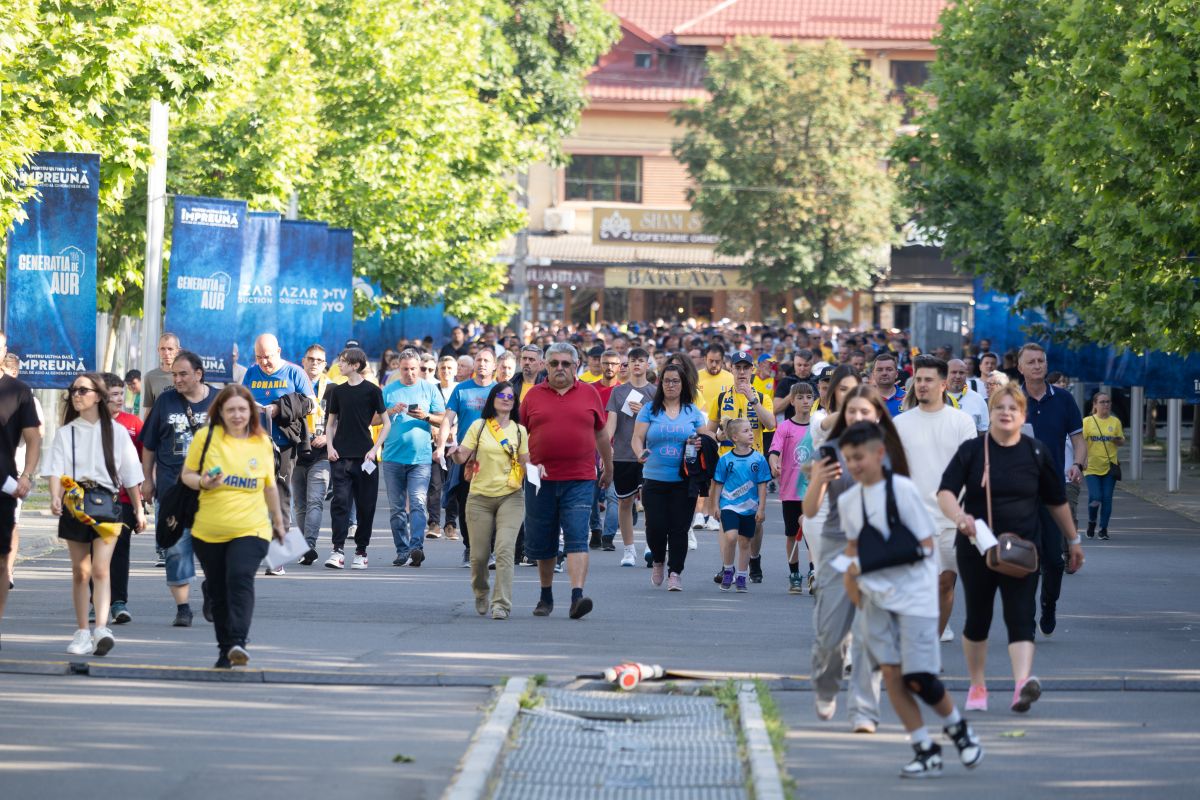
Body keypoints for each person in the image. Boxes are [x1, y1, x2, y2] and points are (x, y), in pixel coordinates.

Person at [833, 421, 983, 778]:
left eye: (860, 457)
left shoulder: (902, 491)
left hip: (914, 598)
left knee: (918, 677)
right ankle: (924, 748)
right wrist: (851, 588)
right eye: (849, 458)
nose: (855, 465)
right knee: (892, 675)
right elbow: (852, 549)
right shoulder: (850, 501)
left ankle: (958, 729)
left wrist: (882, 568)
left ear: (879, 454)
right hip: (876, 602)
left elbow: (926, 545)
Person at [938, 383, 1084, 713]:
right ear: (989, 413)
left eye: (1012, 408)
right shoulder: (972, 451)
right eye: (999, 408)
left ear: (1023, 415)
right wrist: (960, 517)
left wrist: (1073, 540)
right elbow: (945, 492)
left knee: (1020, 616)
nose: (1005, 413)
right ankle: (977, 685)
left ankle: (1022, 685)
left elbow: (1056, 501)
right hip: (976, 547)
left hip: (1022, 548)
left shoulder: (1036, 452)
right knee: (978, 618)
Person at [805, 385, 906, 733]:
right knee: (830, 636)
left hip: (878, 548)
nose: (858, 417)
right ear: (843, 415)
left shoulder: (890, 451)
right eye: (852, 411)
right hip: (838, 545)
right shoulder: (829, 450)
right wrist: (817, 479)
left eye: (865, 411)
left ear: (877, 415)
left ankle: (864, 710)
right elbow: (810, 509)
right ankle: (826, 685)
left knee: (870, 633)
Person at [181, 384, 286, 668]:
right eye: (231, 410)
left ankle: (239, 641)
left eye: (242, 409)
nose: (237, 415)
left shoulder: (261, 442)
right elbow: (187, 475)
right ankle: (225, 649)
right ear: (220, 412)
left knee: (240, 578)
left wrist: (278, 522)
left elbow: (270, 486)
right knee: (218, 590)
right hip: (209, 530)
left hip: (251, 528)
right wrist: (203, 482)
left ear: (251, 411)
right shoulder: (205, 437)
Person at [44, 373, 145, 656]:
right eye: (73, 390)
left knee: (101, 568)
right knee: (81, 571)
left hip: (107, 504)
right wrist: (55, 495)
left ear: (98, 396)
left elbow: (131, 474)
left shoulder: (116, 432)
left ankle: (101, 628)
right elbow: (55, 469)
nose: (76, 395)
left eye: (82, 390)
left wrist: (138, 509)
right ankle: (82, 632)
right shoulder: (66, 433)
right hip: (75, 503)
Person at [520, 342, 613, 619]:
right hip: (540, 481)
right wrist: (526, 465)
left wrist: (608, 468)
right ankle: (545, 596)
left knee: (577, 536)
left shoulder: (589, 393)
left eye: (565, 363)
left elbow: (601, 434)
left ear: (576, 366)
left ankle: (577, 597)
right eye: (554, 363)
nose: (560, 368)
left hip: (580, 479)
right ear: (545, 366)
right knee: (544, 541)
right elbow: (519, 436)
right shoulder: (533, 396)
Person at [893, 356, 979, 642]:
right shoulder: (900, 424)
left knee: (945, 585)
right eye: (918, 379)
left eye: (928, 380)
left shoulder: (961, 421)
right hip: (914, 520)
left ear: (943, 384)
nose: (922, 385)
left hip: (952, 519)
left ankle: (931, 642)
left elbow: (972, 469)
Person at [139, 351, 216, 625]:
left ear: (199, 374)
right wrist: (147, 480)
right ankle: (183, 608)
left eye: (183, 374)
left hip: (212, 491)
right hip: (172, 488)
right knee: (174, 547)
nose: (177, 379)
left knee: (215, 548)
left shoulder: (220, 401)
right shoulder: (165, 401)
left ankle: (212, 588)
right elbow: (149, 445)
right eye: (174, 374)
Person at [1017, 343, 1083, 637]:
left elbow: (1078, 440)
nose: (1037, 366)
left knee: (1054, 561)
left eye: (1040, 361)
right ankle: (1027, 618)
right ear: (1020, 367)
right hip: (1019, 492)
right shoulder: (1010, 400)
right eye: (1030, 362)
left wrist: (1077, 464)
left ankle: (1049, 603)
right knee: (1026, 559)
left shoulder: (1064, 399)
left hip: (1052, 490)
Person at [450, 382, 528, 619]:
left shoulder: (520, 431)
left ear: (515, 403)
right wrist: (455, 452)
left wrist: (538, 468)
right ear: (492, 399)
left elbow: (526, 463)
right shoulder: (480, 426)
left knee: (504, 550)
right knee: (479, 556)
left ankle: (501, 604)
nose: (506, 399)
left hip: (511, 496)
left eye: (510, 397)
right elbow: (462, 456)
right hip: (480, 497)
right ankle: (481, 591)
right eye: (501, 395)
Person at [631, 363, 707, 591]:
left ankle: (675, 572)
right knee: (655, 527)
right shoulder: (649, 410)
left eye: (675, 381)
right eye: (666, 381)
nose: (670, 385)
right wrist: (639, 453)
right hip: (654, 477)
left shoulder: (692, 411)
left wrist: (702, 441)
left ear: (683, 384)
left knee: (679, 528)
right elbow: (637, 438)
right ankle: (658, 560)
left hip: (684, 480)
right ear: (660, 383)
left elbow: (705, 439)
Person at [242, 333, 315, 536]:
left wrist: (280, 408)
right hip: (256, 443)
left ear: (279, 351)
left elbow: (312, 404)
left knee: (281, 494)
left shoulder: (294, 372)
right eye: (259, 357)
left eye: (268, 357)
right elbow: (240, 399)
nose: (263, 362)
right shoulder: (251, 373)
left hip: (284, 444)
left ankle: (280, 547)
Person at [708, 352, 772, 582]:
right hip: (728, 465)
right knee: (726, 517)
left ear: (752, 370)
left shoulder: (762, 396)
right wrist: (719, 435)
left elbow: (771, 424)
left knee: (755, 520)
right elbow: (709, 432)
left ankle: (754, 558)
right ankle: (726, 566)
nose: (742, 372)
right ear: (732, 369)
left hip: (754, 467)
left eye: (746, 368)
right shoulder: (721, 397)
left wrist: (753, 400)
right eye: (738, 368)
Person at [323, 348, 389, 570]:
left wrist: (375, 449)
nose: (339, 365)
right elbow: (330, 424)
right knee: (340, 503)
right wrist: (330, 447)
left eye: (343, 362)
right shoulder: (337, 391)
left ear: (355, 365)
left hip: (365, 457)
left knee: (366, 506)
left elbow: (386, 423)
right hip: (340, 456)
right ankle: (337, 550)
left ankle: (361, 551)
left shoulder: (372, 391)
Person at [381, 349, 445, 567]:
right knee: (397, 508)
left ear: (419, 368)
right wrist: (391, 411)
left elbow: (444, 419)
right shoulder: (388, 390)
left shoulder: (430, 389)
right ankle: (402, 550)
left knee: (417, 503)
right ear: (398, 369)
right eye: (405, 369)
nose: (410, 373)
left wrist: (426, 416)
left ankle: (416, 547)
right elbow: (373, 420)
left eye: (413, 369)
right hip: (392, 458)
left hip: (420, 459)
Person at [0, 333, 41, 646]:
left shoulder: (19, 391)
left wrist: (27, 475)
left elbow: (33, 438)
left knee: (2, 561)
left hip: (3, 486)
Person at [439, 348, 496, 566]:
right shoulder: (461, 389)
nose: (482, 364)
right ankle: (470, 547)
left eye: (486, 361)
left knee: (491, 504)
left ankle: (489, 550)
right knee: (466, 504)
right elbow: (447, 419)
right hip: (466, 457)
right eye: (479, 360)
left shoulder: (500, 390)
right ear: (474, 365)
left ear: (494, 366)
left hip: (493, 458)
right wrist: (441, 446)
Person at [101, 373, 142, 626]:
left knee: (119, 551)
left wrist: (139, 505)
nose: (119, 399)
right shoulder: (88, 425)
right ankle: (95, 602)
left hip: (123, 499)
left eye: (120, 394)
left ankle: (118, 602)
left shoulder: (132, 423)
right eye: (113, 394)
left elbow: (137, 464)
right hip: (93, 500)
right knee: (94, 553)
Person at [711, 419, 771, 593]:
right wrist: (715, 505)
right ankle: (728, 570)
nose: (751, 433)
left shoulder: (759, 459)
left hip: (750, 507)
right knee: (731, 537)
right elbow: (718, 484)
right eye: (746, 431)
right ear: (735, 437)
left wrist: (761, 508)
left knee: (745, 542)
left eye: (751, 430)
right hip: (729, 505)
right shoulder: (725, 460)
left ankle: (742, 576)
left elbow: (762, 485)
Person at [604, 347, 651, 566]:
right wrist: (605, 446)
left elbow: (660, 423)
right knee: (624, 501)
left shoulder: (655, 392)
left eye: (641, 360)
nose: (637, 364)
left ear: (647, 364)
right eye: (633, 361)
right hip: (623, 454)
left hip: (648, 455)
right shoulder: (618, 392)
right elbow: (611, 424)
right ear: (628, 365)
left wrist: (643, 411)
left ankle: (651, 545)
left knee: (650, 501)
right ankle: (629, 549)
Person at [768, 382, 815, 594]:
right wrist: (774, 464)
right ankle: (794, 574)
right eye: (800, 397)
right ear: (792, 401)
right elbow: (774, 451)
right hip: (790, 491)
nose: (805, 401)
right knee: (791, 535)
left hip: (814, 491)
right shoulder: (785, 427)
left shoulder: (818, 427)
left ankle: (814, 572)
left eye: (809, 397)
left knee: (813, 533)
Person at [291, 345, 331, 565]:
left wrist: (327, 437)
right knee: (300, 504)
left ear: (325, 364)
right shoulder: (292, 386)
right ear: (303, 361)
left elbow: (341, 420)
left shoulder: (333, 388)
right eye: (311, 359)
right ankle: (303, 547)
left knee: (315, 501)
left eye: (319, 360)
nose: (315, 363)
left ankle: (309, 546)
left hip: (322, 453)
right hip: (296, 451)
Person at [1083, 392, 1124, 540]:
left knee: (1107, 498)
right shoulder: (1087, 422)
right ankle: (1092, 521)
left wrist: (1116, 440)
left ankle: (1103, 529)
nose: (1106, 404)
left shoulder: (1115, 422)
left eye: (1108, 402)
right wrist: (1082, 459)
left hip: (1109, 466)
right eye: (1102, 402)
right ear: (1095, 405)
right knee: (1095, 497)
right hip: (1091, 467)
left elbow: (1122, 441)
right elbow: (1081, 443)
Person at [427, 355, 460, 540]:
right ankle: (433, 523)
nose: (446, 371)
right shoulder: (432, 389)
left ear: (455, 371)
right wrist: (433, 427)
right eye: (443, 368)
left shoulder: (460, 389)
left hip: (455, 445)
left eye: (449, 368)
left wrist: (455, 429)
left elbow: (464, 414)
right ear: (438, 371)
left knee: (453, 485)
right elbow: (426, 413)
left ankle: (450, 524)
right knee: (434, 485)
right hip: (435, 444)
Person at [141, 332, 181, 415]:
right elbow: (149, 409)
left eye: (170, 349)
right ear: (158, 350)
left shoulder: (186, 375)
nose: (166, 353)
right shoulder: (150, 377)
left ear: (178, 351)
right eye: (163, 349)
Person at [947, 359, 990, 433]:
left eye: (961, 373)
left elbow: (983, 431)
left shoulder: (977, 399)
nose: (958, 376)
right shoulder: (936, 397)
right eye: (954, 372)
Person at [872, 352, 905, 417]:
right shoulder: (866, 399)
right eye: (879, 370)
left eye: (889, 369)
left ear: (897, 374)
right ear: (873, 374)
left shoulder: (908, 398)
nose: (884, 373)